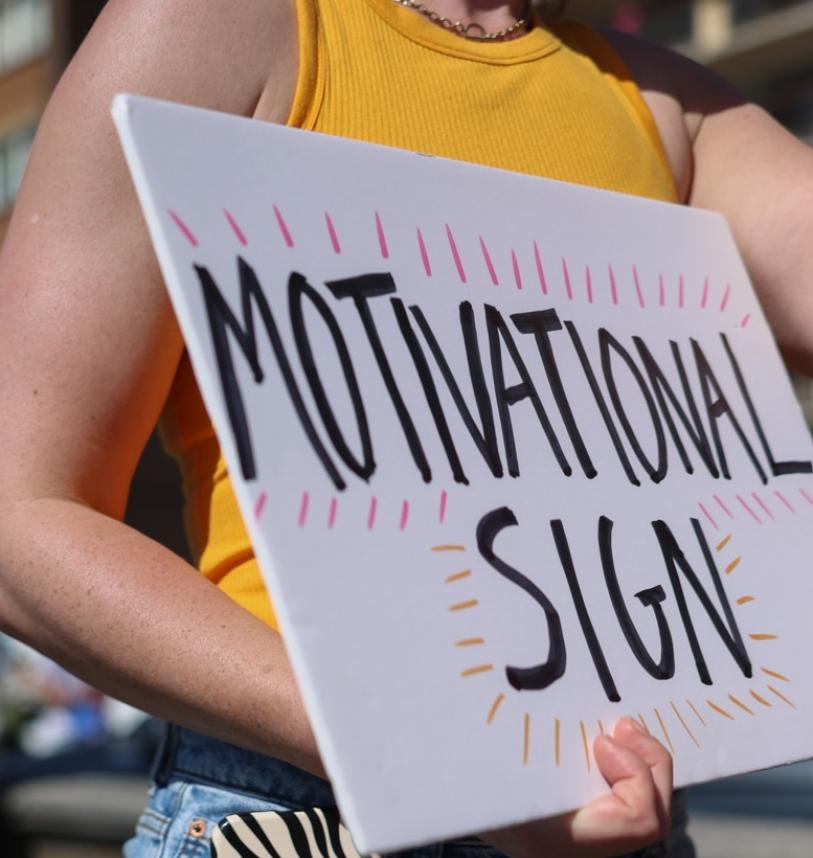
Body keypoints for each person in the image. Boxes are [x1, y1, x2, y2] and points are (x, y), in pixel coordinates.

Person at [1, 0, 810, 855]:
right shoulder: (217, 23)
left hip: (616, 807)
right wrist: (428, 754)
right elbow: (21, 518)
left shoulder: (659, 104)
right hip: (306, 809)